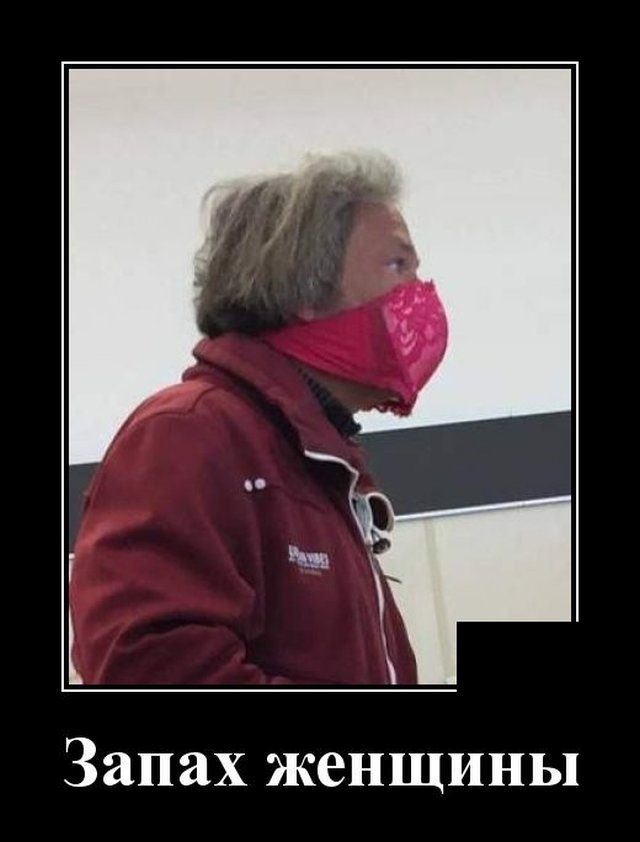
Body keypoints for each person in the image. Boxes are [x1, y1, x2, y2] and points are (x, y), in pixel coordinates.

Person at [69, 150, 449, 686]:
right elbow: (149, 668)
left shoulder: (314, 457)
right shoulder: (188, 435)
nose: (421, 293)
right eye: (398, 266)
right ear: (305, 290)